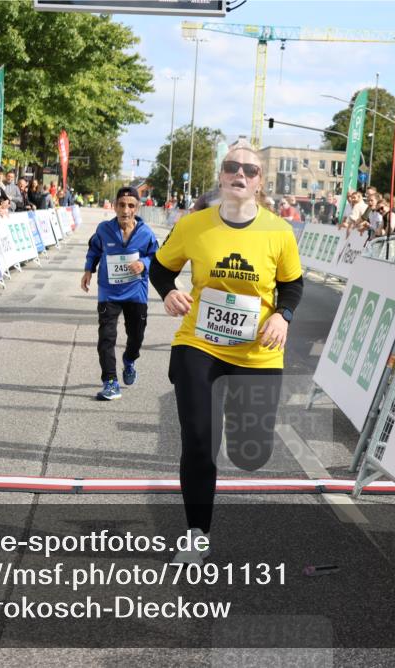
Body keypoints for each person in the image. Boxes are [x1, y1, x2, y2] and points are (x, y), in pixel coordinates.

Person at [149, 142, 304, 564]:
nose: (240, 174)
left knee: (250, 453)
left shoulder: (278, 231)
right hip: (198, 345)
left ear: (260, 182)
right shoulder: (194, 225)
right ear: (220, 174)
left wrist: (283, 316)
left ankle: (240, 428)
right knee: (199, 442)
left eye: (250, 170)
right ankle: (197, 536)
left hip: (257, 353)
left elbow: (292, 284)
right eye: (232, 166)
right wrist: (169, 292)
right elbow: (161, 267)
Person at [81, 186, 160, 400]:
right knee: (106, 337)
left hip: (136, 293)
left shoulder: (145, 233)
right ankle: (110, 381)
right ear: (115, 206)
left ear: (137, 208)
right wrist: (88, 270)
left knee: (136, 337)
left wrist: (143, 263)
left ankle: (129, 359)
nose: (126, 210)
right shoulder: (104, 229)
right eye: (122, 205)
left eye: (131, 206)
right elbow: (94, 249)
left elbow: (156, 256)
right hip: (109, 292)